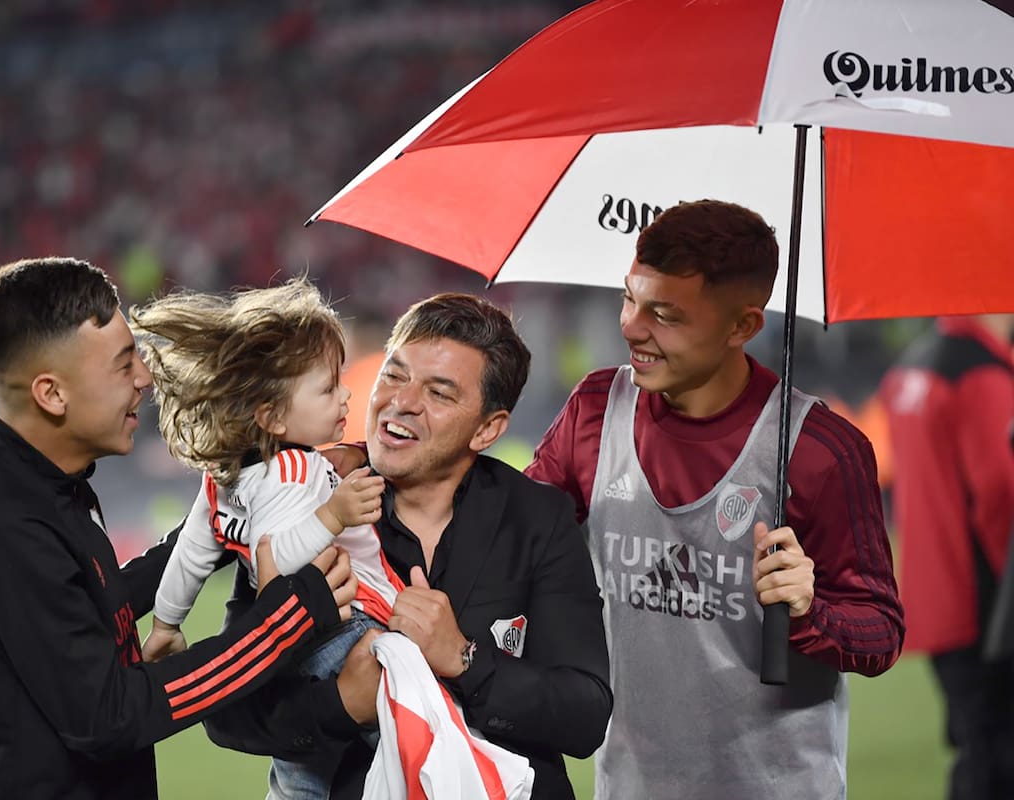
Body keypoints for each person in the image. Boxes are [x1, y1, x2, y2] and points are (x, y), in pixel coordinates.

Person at [0, 257, 356, 800]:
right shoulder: (5, 528)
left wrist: (235, 516)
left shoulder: (31, 486)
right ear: (52, 394)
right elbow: (110, 718)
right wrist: (289, 618)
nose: (144, 378)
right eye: (122, 364)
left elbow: (83, 601)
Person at [524, 200, 905, 800]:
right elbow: (516, 532)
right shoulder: (596, 410)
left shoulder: (818, 449)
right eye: (630, 298)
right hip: (628, 786)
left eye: (664, 314)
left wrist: (810, 611)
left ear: (742, 326)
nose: (630, 326)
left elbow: (881, 633)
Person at [201, 292, 613, 799]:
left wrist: (464, 660)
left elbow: (585, 715)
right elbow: (228, 714)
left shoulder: (538, 520)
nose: (402, 402)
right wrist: (342, 703)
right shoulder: (306, 507)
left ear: (487, 429)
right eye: (394, 375)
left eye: (439, 393)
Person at [130, 279, 394, 799]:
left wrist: (166, 622)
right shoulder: (294, 470)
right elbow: (282, 558)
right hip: (342, 629)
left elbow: (189, 555)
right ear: (272, 416)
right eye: (327, 388)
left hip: (286, 646)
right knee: (411, 734)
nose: (344, 396)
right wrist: (334, 515)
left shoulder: (223, 477)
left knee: (302, 772)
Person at [881, 313, 1014, 800]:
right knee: (996, 760)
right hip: (991, 608)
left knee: (978, 746)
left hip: (934, 597)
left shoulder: (909, 369)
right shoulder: (982, 375)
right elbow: (1003, 495)